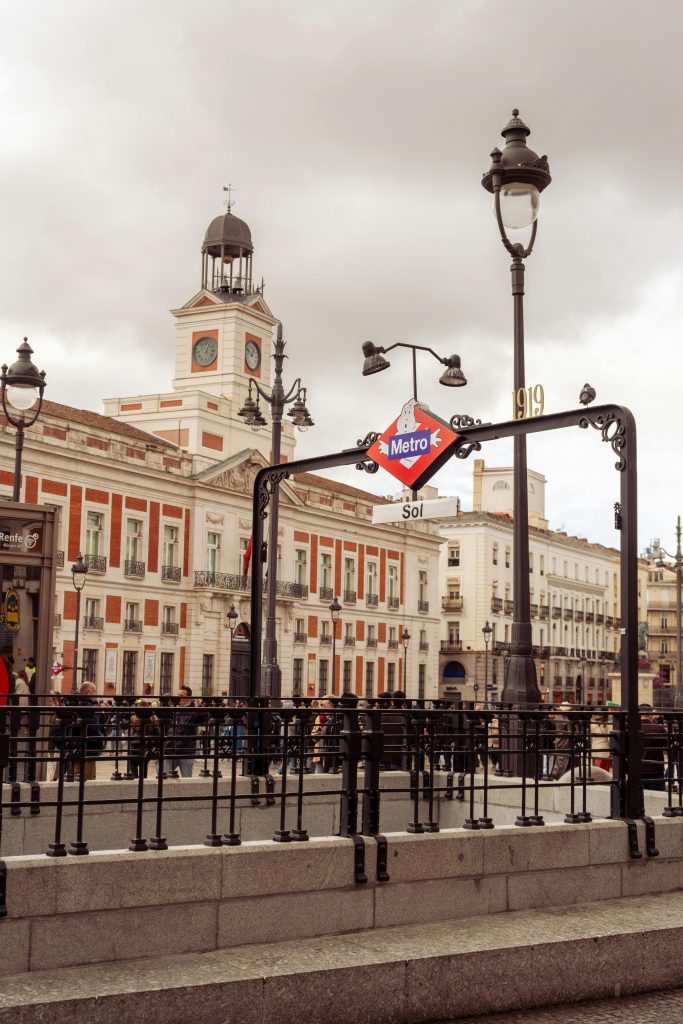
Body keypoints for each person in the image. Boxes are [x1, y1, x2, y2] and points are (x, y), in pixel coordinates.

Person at [163, 686, 201, 778]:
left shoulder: (193, 710)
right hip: (170, 749)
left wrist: (199, 708)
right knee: (164, 778)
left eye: (181, 695)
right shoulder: (173, 709)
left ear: (188, 697)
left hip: (186, 751)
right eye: (178, 695)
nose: (178, 697)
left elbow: (202, 718)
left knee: (187, 779)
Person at [640, 703, 667, 791]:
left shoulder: (631, 729)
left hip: (637, 770)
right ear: (651, 714)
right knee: (658, 800)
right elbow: (668, 747)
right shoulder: (659, 728)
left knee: (637, 802)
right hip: (656, 769)